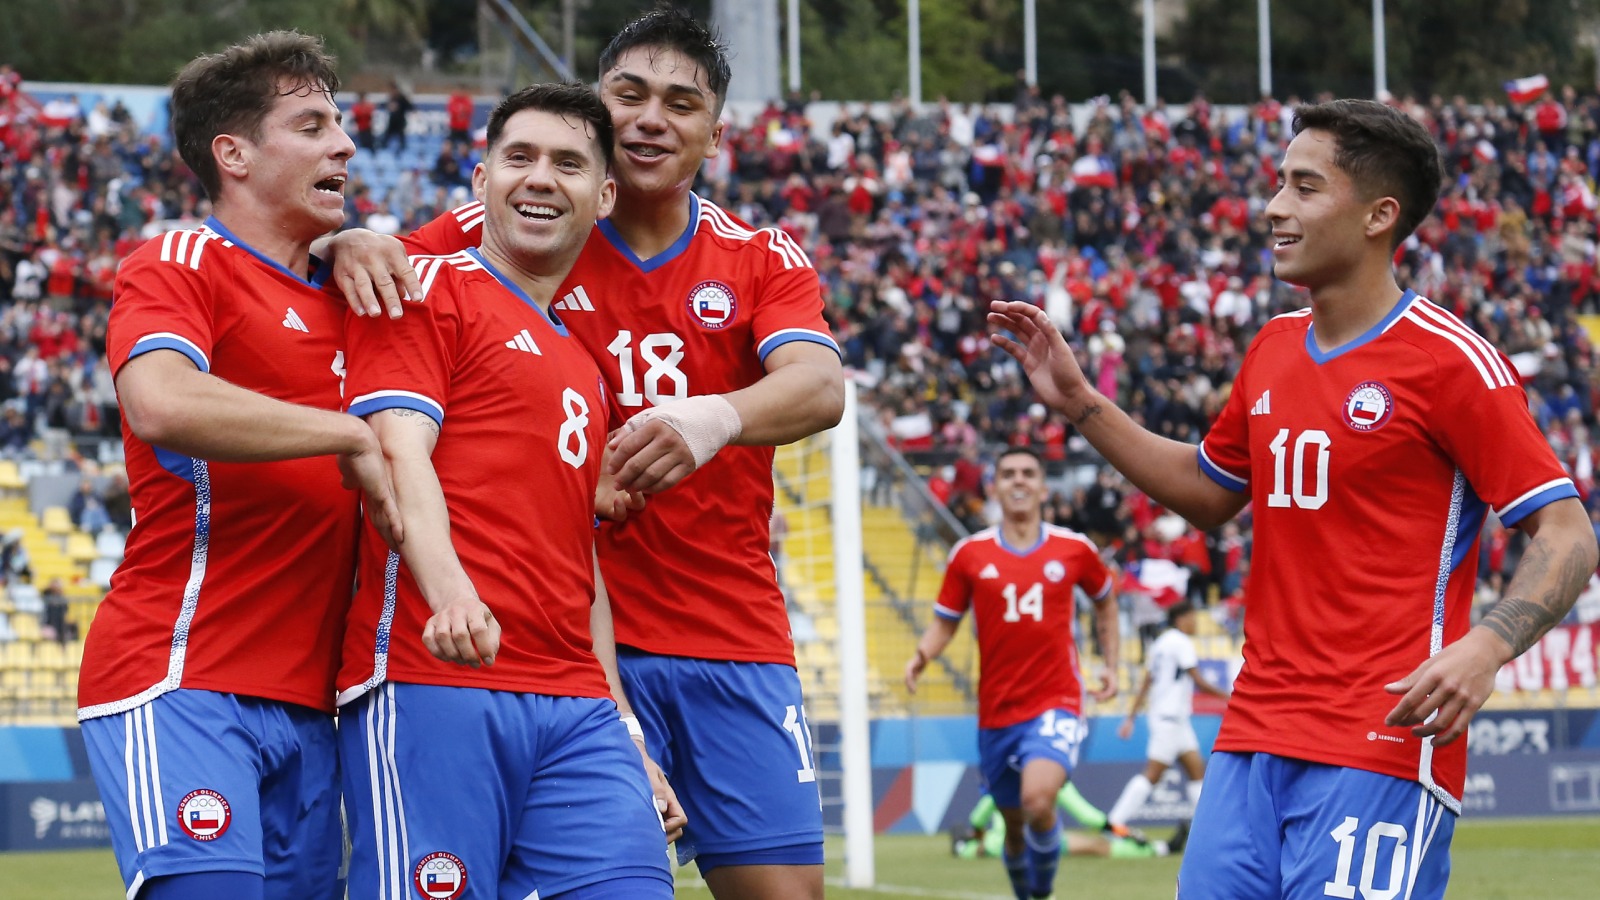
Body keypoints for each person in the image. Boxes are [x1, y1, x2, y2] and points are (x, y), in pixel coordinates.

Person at [987, 99, 1599, 899]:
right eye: (1279, 182)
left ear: (1381, 215)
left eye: (1305, 187)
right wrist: (1080, 404)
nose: (1274, 206)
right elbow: (1209, 493)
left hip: (1382, 738)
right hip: (1251, 740)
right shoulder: (1273, 347)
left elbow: (1566, 530)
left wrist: (1486, 647)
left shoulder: (1452, 364)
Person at [329, 9, 846, 897]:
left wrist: (710, 418)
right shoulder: (516, 217)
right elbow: (379, 275)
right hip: (560, 642)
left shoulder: (757, 256)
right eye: (628, 96)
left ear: (716, 134)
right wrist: (349, 236)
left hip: (727, 630)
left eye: (680, 104)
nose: (650, 119)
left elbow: (820, 387)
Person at [74, 31, 398, 900]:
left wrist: (360, 240)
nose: (346, 144)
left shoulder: (360, 292)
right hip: (185, 676)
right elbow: (162, 402)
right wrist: (346, 434)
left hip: (320, 709)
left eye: (342, 125)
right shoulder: (182, 261)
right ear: (235, 153)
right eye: (313, 125)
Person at [336, 82, 673, 900]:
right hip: (433, 679)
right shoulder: (425, 288)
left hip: (575, 706)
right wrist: (452, 595)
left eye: (567, 163)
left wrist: (625, 724)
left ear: (604, 195)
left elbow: (576, 559)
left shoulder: (586, 369)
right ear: (480, 181)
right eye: (518, 158)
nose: (539, 178)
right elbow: (397, 453)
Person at [905, 446, 1121, 900]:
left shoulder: (1074, 550)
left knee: (1038, 798)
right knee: (1016, 829)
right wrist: (923, 655)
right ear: (994, 487)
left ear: (1044, 487)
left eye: (1028, 473)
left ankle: (1042, 894)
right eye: (1008, 474)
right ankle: (1029, 892)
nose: (1018, 481)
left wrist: (1111, 665)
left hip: (1056, 699)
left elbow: (1105, 600)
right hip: (997, 711)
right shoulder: (969, 555)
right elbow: (947, 620)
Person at [1107, 601, 1230, 832]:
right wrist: (1230, 696)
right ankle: (1114, 821)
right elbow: (1198, 681)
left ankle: (1204, 830)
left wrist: (1131, 718)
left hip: (1172, 719)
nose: (1195, 622)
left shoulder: (1160, 643)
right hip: (1170, 719)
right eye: (1192, 617)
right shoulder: (1181, 642)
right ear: (1180, 619)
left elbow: (1146, 683)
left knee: (1196, 772)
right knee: (1152, 774)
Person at [952, 784, 1188, 861]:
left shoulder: (1007, 777)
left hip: (1007, 842)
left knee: (989, 847)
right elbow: (1091, 818)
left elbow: (978, 818)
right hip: (1036, 841)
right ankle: (1161, 848)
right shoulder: (1056, 778)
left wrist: (976, 834)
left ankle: (963, 846)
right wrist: (1123, 831)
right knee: (1097, 845)